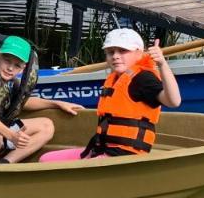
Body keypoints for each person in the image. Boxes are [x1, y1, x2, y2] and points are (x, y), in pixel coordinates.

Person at [39, 28, 182, 162]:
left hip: (124, 155)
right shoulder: (116, 78)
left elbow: (173, 101)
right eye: (111, 52)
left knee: (61, 169)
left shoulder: (143, 78)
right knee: (46, 159)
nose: (116, 56)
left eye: (123, 51)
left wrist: (162, 64)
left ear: (139, 53)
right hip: (102, 148)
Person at [0, 34, 83, 164]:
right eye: (7, 60)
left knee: (47, 126)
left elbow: (23, 102)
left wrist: (56, 103)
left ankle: (5, 164)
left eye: (17, 65)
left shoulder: (12, 82)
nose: (10, 68)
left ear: (22, 68)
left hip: (0, 131)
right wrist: (12, 136)